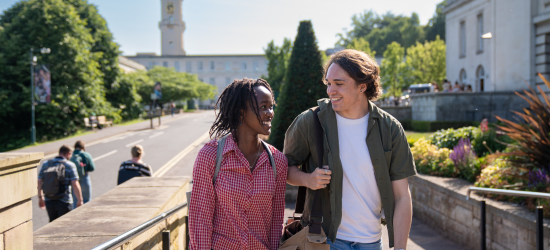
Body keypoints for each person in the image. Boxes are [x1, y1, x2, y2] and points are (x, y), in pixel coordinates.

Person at [284, 49, 416, 250]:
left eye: (339, 84)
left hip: (372, 242)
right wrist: (307, 179)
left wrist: (400, 248)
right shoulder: (310, 121)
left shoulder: (390, 128)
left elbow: (402, 196)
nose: (330, 91)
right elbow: (285, 168)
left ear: (362, 86)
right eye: (328, 83)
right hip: (324, 240)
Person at [189, 78, 288, 250]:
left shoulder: (277, 161)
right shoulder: (211, 156)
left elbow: (276, 220)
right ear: (241, 112)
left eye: (271, 106)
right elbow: (200, 220)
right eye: (263, 107)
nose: (270, 112)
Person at [38, 145, 83, 222]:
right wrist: (80, 200)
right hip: (64, 201)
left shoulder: (46, 164)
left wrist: (40, 197)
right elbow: (75, 184)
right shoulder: (70, 165)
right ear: (68, 154)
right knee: (65, 225)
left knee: (52, 224)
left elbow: (39, 181)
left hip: (49, 199)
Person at [70, 140, 95, 208]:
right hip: (85, 177)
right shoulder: (85, 154)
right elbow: (92, 168)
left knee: (76, 201)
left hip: (73, 179)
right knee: (87, 200)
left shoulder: (71, 155)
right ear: (83, 147)